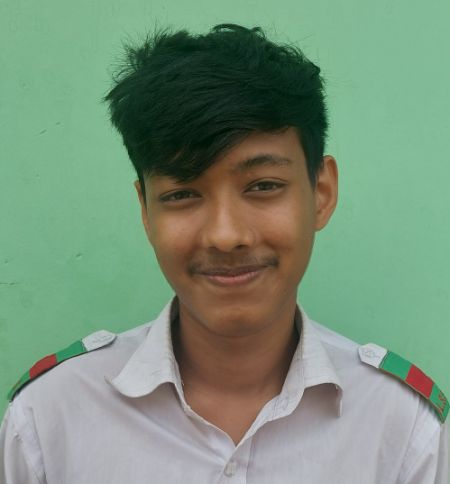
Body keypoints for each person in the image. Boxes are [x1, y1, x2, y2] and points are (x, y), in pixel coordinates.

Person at [0, 23, 448, 484]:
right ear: (146, 210)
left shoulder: (404, 430)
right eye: (182, 194)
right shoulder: (48, 420)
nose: (225, 235)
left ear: (321, 192)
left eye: (263, 186)